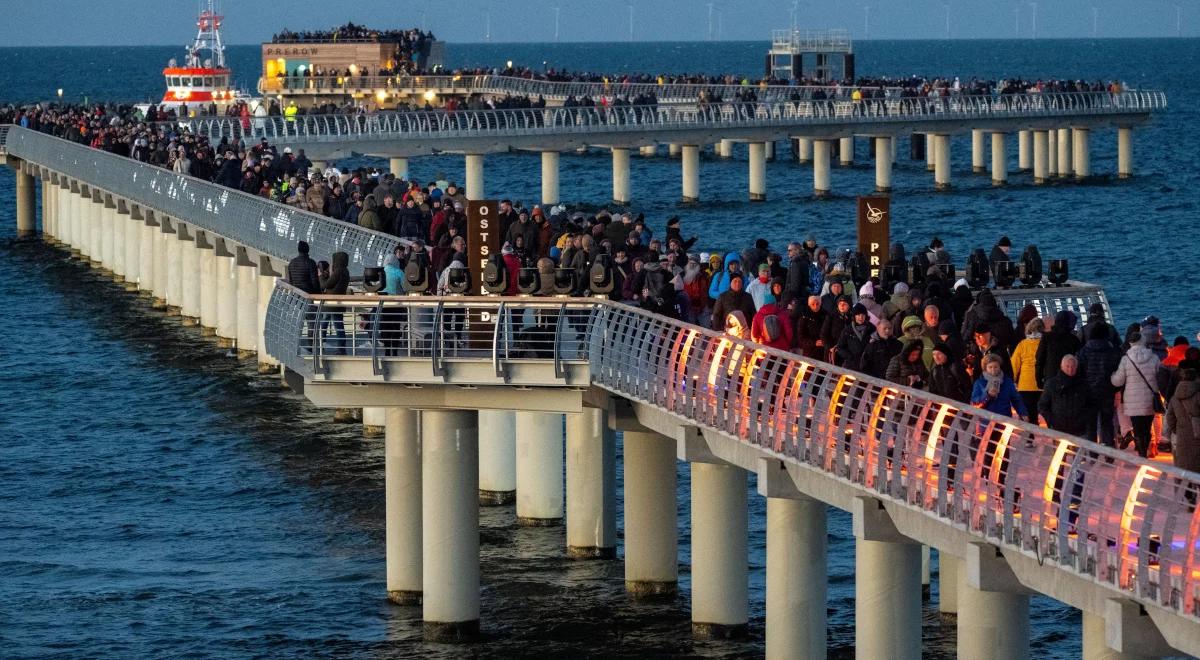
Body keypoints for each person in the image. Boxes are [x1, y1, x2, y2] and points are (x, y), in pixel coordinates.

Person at [1111, 332, 1163, 457]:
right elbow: (1160, 377)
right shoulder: (1154, 358)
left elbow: (1118, 380)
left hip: (1132, 401)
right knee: (1147, 426)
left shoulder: (1126, 359)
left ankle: (1142, 453)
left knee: (1138, 428)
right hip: (1150, 399)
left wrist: (1112, 376)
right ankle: (1147, 447)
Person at [1076, 323, 1123, 447]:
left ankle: (1092, 453)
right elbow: (1118, 370)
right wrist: (1116, 389)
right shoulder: (1113, 352)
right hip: (1107, 391)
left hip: (1089, 392)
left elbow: (1079, 371)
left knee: (1090, 424)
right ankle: (1109, 452)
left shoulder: (1083, 352)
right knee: (1107, 422)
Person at [1038, 355, 1094, 436]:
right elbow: (1042, 405)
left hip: (1079, 429)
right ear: (1062, 366)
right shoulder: (1052, 384)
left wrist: (1083, 419)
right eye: (1067, 366)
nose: (1070, 369)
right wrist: (1051, 420)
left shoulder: (1084, 385)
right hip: (1057, 428)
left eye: (1073, 366)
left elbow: (1091, 405)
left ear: (1076, 367)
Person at [972, 353, 1030, 421]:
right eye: (990, 367)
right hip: (985, 421)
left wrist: (1023, 413)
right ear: (985, 368)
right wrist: (987, 395)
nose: (993, 369)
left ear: (999, 367)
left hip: (1004, 419)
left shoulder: (1007, 381)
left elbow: (1016, 399)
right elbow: (974, 403)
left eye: (996, 367)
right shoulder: (979, 382)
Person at [1165, 368, 1200, 473]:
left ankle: (1185, 489)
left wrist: (1177, 429)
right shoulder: (1198, 395)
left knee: (1184, 466)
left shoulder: (1175, 398)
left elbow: (1169, 417)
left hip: (1182, 434)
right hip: (1197, 434)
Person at [1036, 310, 1082, 389]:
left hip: (1050, 378)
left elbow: (1039, 359)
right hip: (1069, 379)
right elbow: (1079, 361)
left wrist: (1038, 379)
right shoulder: (1074, 340)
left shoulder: (1047, 337)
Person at [1011, 318, 1044, 421]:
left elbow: (1014, 364)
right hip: (1042, 384)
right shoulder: (1045, 344)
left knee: (1028, 416)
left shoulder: (1022, 344)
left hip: (1025, 385)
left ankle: (1029, 436)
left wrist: (1012, 380)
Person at [835, 303, 874, 369]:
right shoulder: (847, 330)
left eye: (863, 315)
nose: (861, 317)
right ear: (854, 316)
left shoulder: (872, 328)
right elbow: (840, 347)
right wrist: (850, 356)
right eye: (858, 315)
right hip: (851, 364)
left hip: (868, 365)